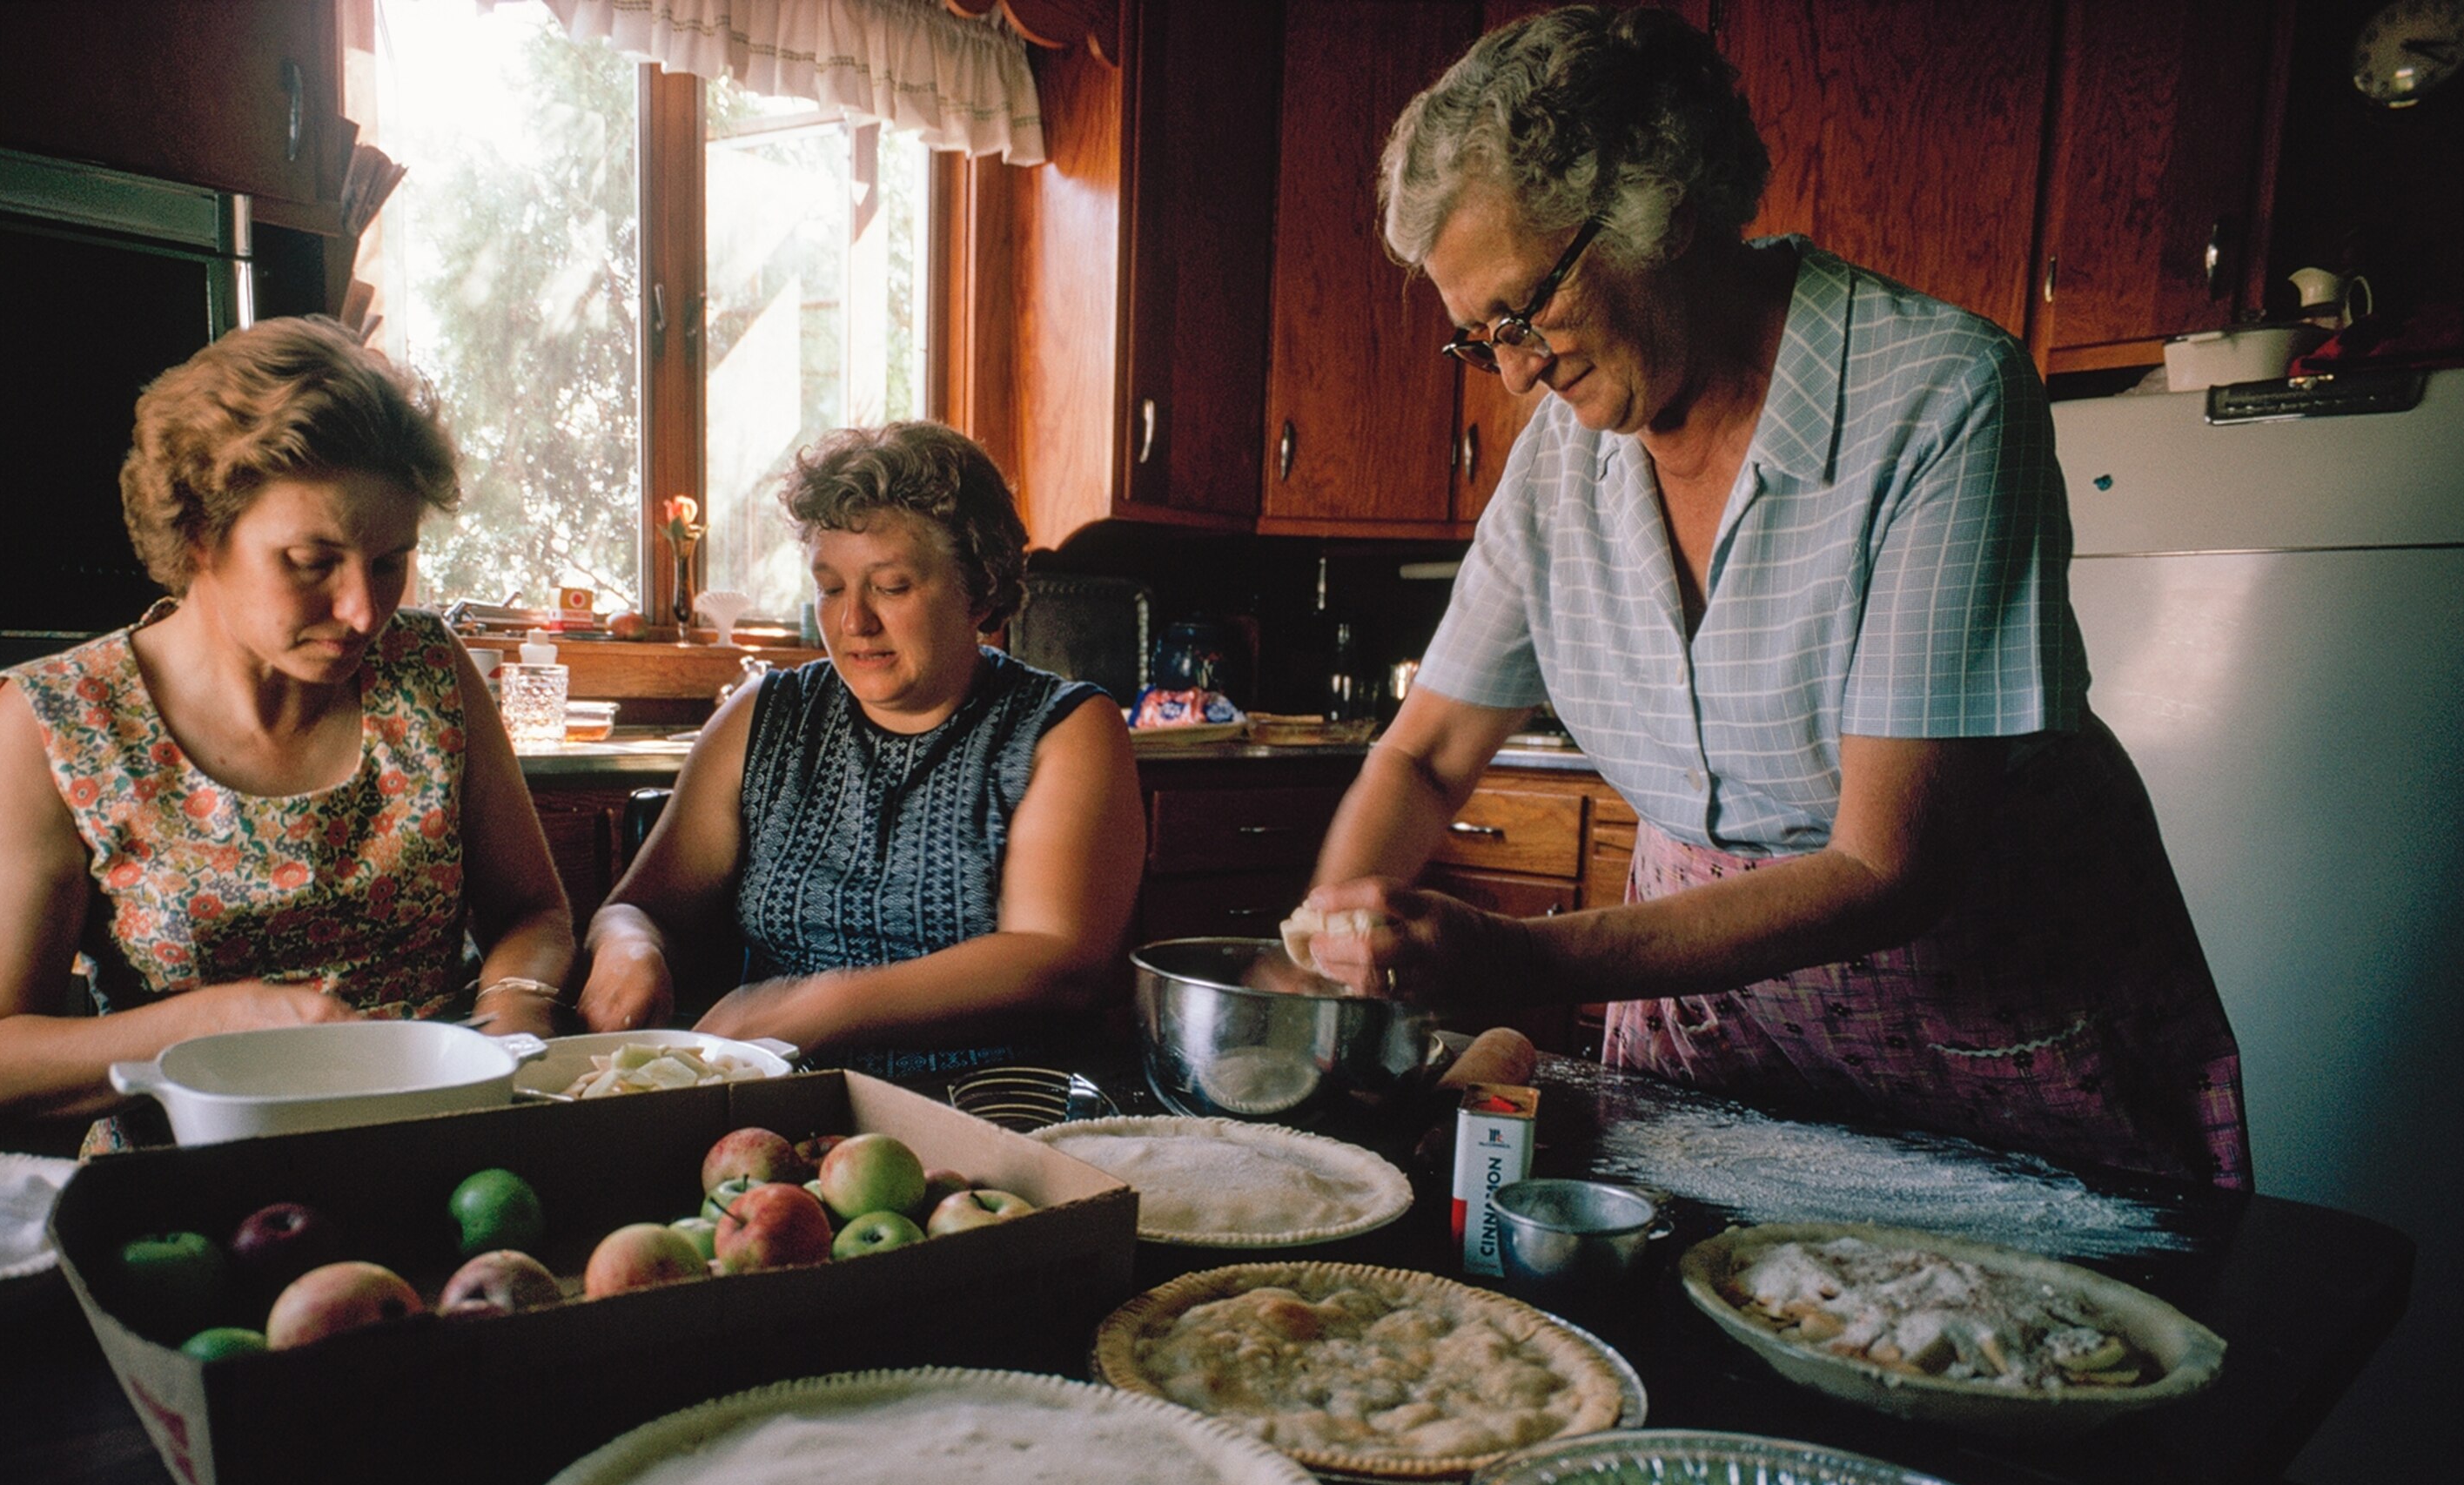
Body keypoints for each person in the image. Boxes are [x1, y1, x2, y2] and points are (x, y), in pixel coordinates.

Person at [1299, 5, 2250, 1190]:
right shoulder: (1560, 458)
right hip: (1715, 1034)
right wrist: (1334, 940)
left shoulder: (1941, 397)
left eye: (1527, 307)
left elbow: (1886, 865)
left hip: (1988, 1016)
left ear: (1667, 208)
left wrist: (1513, 955)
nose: (1515, 368)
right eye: (1476, 336)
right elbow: (1428, 755)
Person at [0, 317, 574, 1140]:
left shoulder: (427, 671)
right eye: (311, 563)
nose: (362, 610)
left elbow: (533, 910)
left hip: (440, 1139)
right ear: (200, 534)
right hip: (194, 1185)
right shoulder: (58, 722)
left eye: (390, 562)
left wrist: (509, 1022)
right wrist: (211, 1025)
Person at [577, 420, 1145, 1077]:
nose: (854, 622)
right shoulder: (767, 716)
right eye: (831, 587)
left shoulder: (1063, 728)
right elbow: (639, 907)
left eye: (891, 585)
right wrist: (629, 946)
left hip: (998, 1108)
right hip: (784, 1106)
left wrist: (817, 1006)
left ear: (981, 587)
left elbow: (1057, 961)